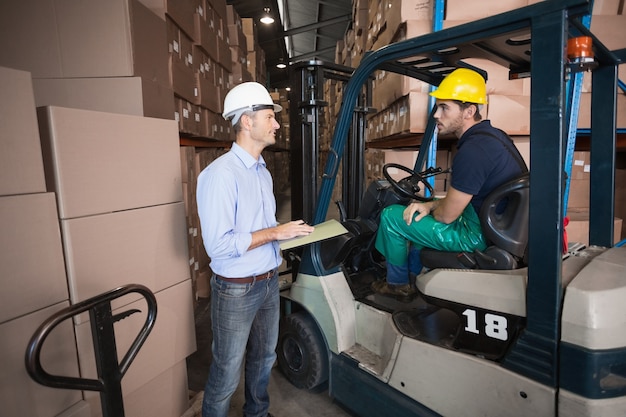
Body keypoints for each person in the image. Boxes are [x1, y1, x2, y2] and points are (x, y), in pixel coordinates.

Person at [196, 82, 314, 417]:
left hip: (267, 282)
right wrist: (275, 231)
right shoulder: (220, 176)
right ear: (247, 122)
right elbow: (218, 245)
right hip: (237, 289)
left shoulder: (261, 172)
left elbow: (258, 230)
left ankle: (257, 414)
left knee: (264, 359)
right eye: (269, 117)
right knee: (227, 369)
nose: (276, 124)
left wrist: (287, 235)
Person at [372, 68, 528, 301]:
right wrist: (429, 205)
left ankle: (397, 285)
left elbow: (446, 217)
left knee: (392, 217)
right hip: (494, 223)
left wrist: (431, 207)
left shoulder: (473, 151)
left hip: (476, 235)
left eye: (445, 108)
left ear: (469, 111)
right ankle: (415, 278)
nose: (436, 114)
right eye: (438, 106)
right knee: (420, 209)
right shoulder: (494, 137)